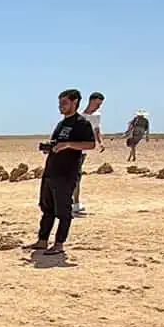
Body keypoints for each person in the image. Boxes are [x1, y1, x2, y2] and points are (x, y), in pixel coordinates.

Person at [25, 89, 97, 257]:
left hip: (66, 173)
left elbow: (90, 144)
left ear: (75, 102)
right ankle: (42, 240)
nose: (61, 106)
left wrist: (68, 145)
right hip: (51, 170)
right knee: (46, 207)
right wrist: (50, 148)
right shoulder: (61, 124)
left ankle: (59, 244)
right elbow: (57, 143)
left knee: (64, 211)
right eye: (60, 103)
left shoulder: (81, 123)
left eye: (64, 103)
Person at [75, 91, 105, 216]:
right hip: (76, 149)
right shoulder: (80, 116)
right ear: (92, 101)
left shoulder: (97, 115)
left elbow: (97, 129)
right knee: (75, 176)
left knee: (78, 176)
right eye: (98, 103)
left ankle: (75, 203)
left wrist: (101, 142)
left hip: (85, 150)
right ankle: (73, 203)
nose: (99, 106)